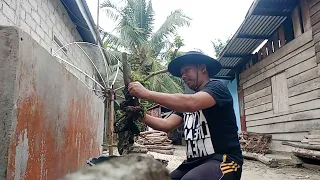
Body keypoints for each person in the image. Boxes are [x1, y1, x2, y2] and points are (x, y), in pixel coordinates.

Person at [128, 51, 243, 180]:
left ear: (202, 68)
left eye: (187, 70)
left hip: (224, 160)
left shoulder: (217, 88)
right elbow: (166, 125)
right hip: (193, 163)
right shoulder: (188, 103)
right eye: (182, 73)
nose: (183, 76)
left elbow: (190, 103)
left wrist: (147, 93)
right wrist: (140, 115)